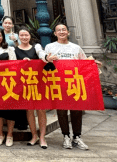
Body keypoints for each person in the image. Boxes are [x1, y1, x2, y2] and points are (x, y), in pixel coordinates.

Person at [44, 23, 93, 151]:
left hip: (74, 83)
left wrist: (93, 64)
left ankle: (77, 136)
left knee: (76, 111)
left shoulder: (76, 48)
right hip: (58, 84)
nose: (61, 32)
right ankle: (66, 136)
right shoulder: (50, 46)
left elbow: (84, 63)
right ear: (55, 33)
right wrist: (48, 60)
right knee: (61, 111)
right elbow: (44, 64)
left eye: (63, 30)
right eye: (58, 30)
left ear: (68, 32)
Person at [15, 27, 49, 149]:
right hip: (25, 84)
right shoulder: (15, 50)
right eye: (22, 35)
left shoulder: (37, 47)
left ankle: (42, 137)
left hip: (39, 83)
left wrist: (46, 58)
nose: (24, 37)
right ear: (18, 36)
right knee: (29, 110)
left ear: (30, 36)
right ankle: (34, 135)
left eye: (26, 35)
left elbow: (42, 55)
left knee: (41, 109)